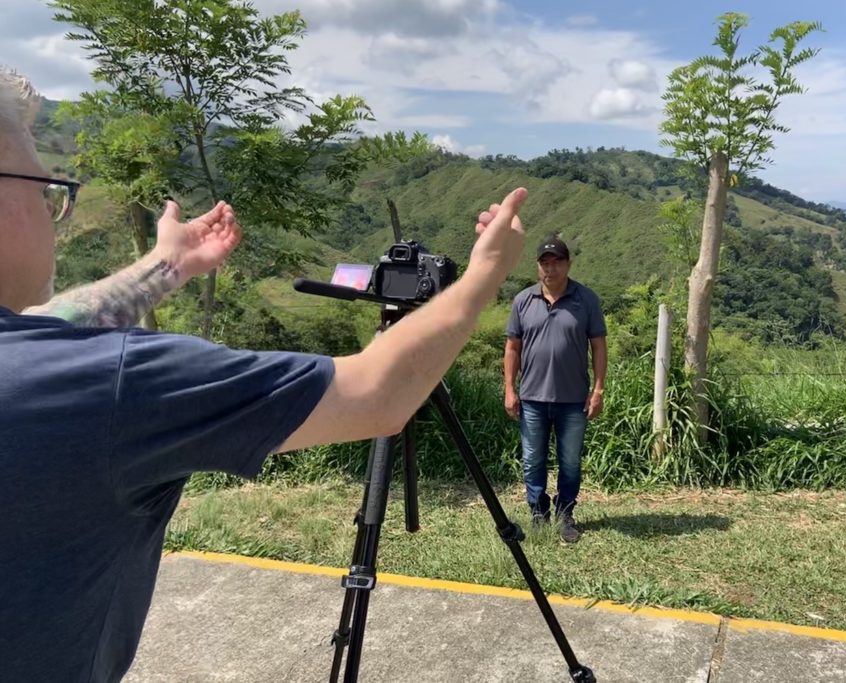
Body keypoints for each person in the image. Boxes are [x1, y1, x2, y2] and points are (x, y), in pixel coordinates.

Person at [0, 66, 529, 682]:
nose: (55, 213)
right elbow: (377, 393)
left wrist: (167, 265)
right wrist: (483, 276)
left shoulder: (53, 369)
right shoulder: (116, 384)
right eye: (47, 191)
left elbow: (47, 326)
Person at [503, 235, 607, 544]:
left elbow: (599, 347)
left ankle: (565, 514)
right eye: (544, 263)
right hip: (532, 398)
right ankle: (538, 512)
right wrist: (509, 388)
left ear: (568, 264)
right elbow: (512, 348)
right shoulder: (523, 300)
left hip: (573, 398)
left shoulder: (586, 299)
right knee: (532, 459)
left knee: (570, 461)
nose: (550, 269)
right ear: (538, 267)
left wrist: (598, 389)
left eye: (557, 262)